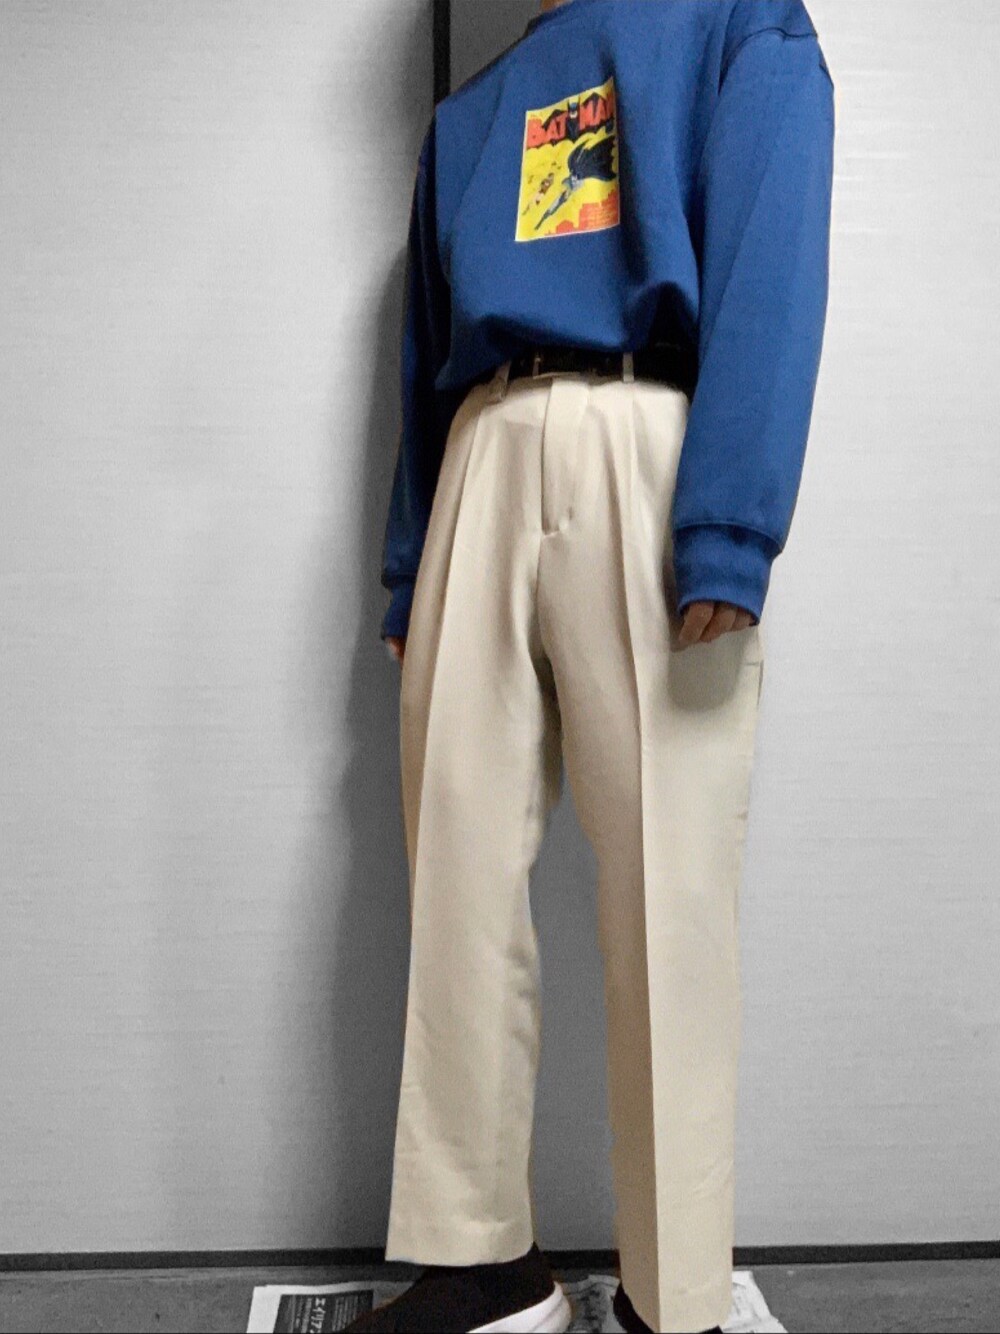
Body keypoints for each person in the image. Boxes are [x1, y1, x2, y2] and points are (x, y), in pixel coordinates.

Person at [352, 0, 835, 1330]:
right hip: (482, 447)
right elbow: (423, 351)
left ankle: (675, 1294)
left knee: (667, 882)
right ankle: (481, 1266)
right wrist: (409, 561)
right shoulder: (469, 113)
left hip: (649, 437)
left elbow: (772, 253)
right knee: (456, 872)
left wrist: (731, 520)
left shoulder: (740, 18)